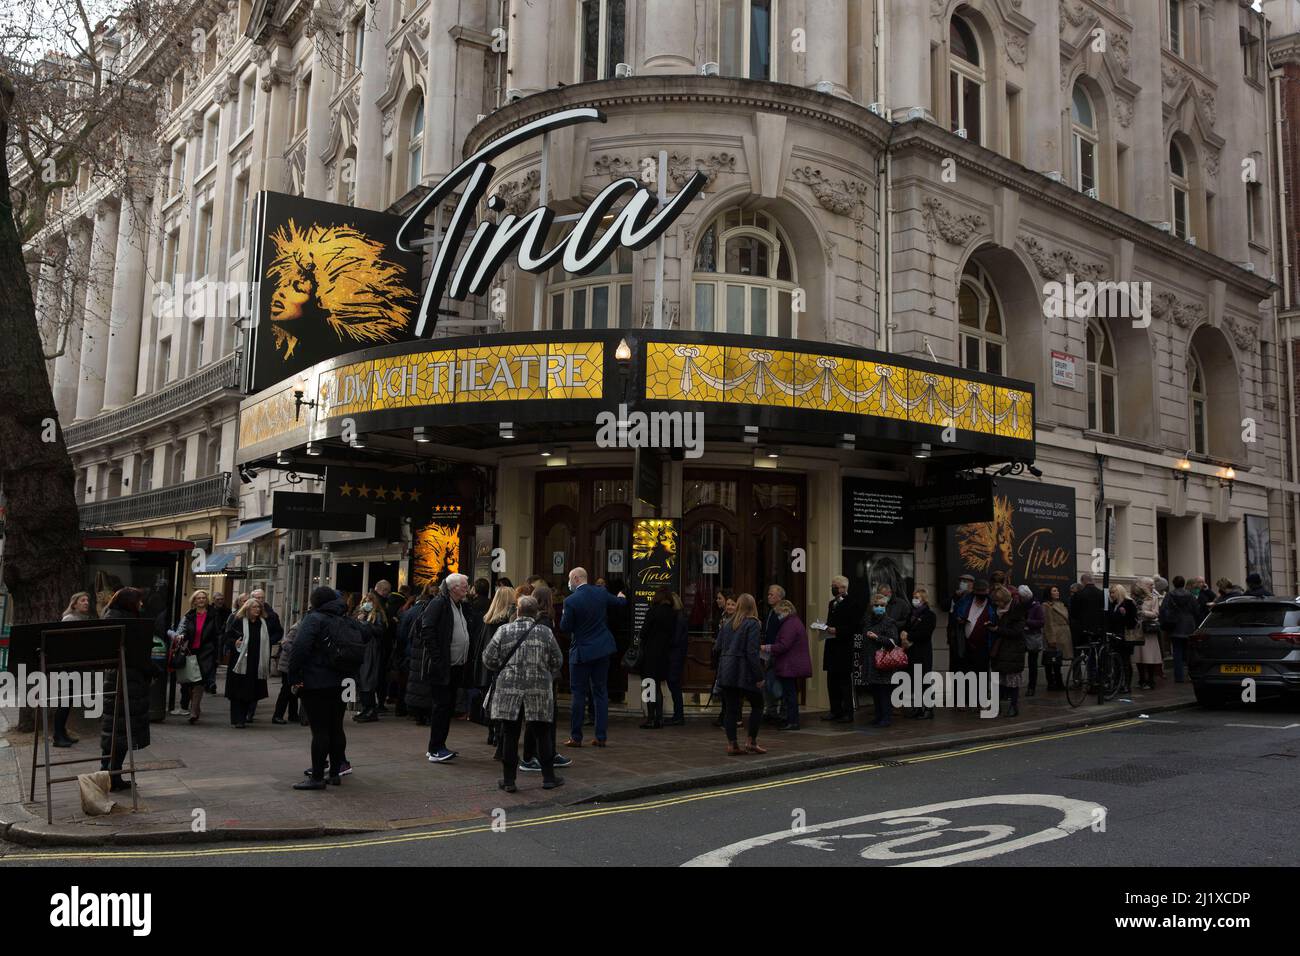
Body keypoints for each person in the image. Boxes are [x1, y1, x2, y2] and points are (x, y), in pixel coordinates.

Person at [482, 595, 565, 792]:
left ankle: (509, 781)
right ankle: (548, 778)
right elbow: (557, 661)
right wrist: (544, 670)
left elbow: (488, 658)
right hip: (538, 690)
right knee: (542, 734)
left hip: (509, 690)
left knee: (510, 734)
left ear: (517, 611)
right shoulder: (545, 633)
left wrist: (503, 670)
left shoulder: (504, 630)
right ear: (536, 612)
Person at [290, 587, 353, 789]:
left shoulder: (314, 619)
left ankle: (317, 777)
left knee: (320, 730)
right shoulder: (344, 618)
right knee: (336, 727)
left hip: (316, 681)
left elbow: (300, 648)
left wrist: (294, 676)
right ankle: (334, 773)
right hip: (343, 680)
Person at [560, 567, 627, 747]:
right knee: (600, 693)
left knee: (578, 694)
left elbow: (565, 627)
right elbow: (620, 604)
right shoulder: (601, 593)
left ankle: (576, 737)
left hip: (581, 652)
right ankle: (600, 736)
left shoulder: (570, 601)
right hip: (602, 649)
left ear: (575, 579)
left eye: (569, 580)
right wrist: (622, 596)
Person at [412, 573, 473, 763]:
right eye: (464, 585)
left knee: (447, 707)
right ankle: (435, 748)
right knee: (441, 707)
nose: (467, 588)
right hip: (443, 666)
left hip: (455, 665)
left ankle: (440, 746)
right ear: (453, 587)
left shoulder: (459, 605)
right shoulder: (439, 603)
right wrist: (437, 658)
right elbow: (427, 628)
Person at [100, 588, 154, 791]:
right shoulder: (119, 620)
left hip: (127, 681)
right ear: (129, 602)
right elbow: (134, 653)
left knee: (120, 732)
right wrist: (151, 669)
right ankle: (108, 775)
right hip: (123, 682)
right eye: (139, 601)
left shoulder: (120, 616)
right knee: (117, 731)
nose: (141, 604)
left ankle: (113, 774)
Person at [520, 584, 574, 773]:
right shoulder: (543, 622)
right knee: (540, 717)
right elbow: (553, 654)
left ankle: (546, 753)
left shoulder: (543, 620)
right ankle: (534, 756)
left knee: (543, 716)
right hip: (542, 675)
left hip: (539, 674)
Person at [715, 593, 765, 755]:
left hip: (727, 670)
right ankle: (751, 741)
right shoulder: (753, 624)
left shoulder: (727, 623)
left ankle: (732, 744)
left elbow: (716, 648)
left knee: (731, 709)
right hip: (744, 672)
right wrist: (759, 676)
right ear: (753, 607)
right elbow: (752, 652)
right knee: (758, 704)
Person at [472, 585, 515, 744]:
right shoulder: (508, 623)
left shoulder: (488, 620)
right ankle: (499, 734)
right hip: (501, 668)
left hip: (486, 667)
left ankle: (491, 733)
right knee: (502, 702)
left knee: (489, 701)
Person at [223, 597, 271, 728]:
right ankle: (237, 719)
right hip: (239, 662)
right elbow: (227, 637)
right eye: (254, 607)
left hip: (255, 662)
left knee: (249, 691)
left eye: (259, 607)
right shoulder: (239, 621)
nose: (257, 609)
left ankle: (243, 717)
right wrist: (234, 643)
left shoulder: (262, 623)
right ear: (247, 609)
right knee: (238, 691)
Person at [763, 599, 811, 729]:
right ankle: (790, 719)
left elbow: (783, 645)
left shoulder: (790, 624)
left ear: (786, 610)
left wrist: (767, 648)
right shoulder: (792, 622)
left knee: (790, 694)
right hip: (791, 663)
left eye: (779, 612)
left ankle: (792, 721)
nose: (778, 615)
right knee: (790, 693)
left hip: (790, 664)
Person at [54, 593, 94, 747]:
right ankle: (58, 736)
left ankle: (62, 732)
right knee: (64, 701)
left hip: (74, 666)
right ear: (74, 604)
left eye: (87, 600)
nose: (86, 603)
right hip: (67, 667)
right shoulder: (70, 619)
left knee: (68, 700)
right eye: (82, 600)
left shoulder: (80, 618)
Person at [636, 586, 677, 729]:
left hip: (650, 653)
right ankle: (659, 718)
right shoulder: (672, 613)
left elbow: (643, 632)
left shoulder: (653, 611)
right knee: (658, 686)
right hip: (664, 654)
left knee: (649, 686)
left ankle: (651, 718)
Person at [821, 576, 860, 723]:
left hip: (844, 647)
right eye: (832, 585)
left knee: (844, 682)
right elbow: (831, 621)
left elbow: (854, 627)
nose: (833, 588)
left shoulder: (853, 604)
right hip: (831, 646)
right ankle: (834, 710)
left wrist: (837, 630)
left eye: (835, 585)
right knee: (832, 680)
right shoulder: (832, 604)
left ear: (843, 588)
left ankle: (847, 713)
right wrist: (824, 627)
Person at [179, 589, 222, 724]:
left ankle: (194, 710)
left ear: (207, 600)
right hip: (191, 651)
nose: (201, 600)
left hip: (207, 651)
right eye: (198, 598)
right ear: (194, 601)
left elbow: (217, 635)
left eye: (203, 598)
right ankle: (195, 707)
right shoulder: (190, 615)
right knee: (191, 680)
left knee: (200, 679)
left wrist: (218, 654)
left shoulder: (213, 615)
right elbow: (185, 630)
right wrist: (182, 636)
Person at [397, 583, 437, 724]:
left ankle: (413, 712)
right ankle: (425, 713)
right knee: (425, 684)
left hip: (412, 652)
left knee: (412, 682)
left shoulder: (410, 612)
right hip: (426, 654)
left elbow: (402, 633)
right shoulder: (432, 615)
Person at [862, 591, 903, 727]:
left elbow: (893, 641)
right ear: (872, 606)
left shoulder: (889, 622)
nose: (880, 608)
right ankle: (878, 716)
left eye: (882, 605)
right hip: (870, 660)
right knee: (875, 690)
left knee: (883, 691)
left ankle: (886, 717)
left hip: (883, 661)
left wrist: (877, 638)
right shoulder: (867, 620)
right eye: (877, 605)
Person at [953, 580, 997, 705]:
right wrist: (959, 619)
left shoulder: (991, 605)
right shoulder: (966, 602)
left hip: (984, 645)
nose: (982, 596)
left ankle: (980, 700)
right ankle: (965, 700)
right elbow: (956, 613)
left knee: (982, 673)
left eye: (984, 592)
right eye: (979, 593)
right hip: (965, 644)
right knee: (965, 673)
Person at [990, 586, 1027, 717]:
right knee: (998, 679)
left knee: (1012, 681)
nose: (996, 604)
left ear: (1004, 599)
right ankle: (997, 706)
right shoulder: (997, 611)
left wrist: (997, 629)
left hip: (1013, 649)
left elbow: (1017, 632)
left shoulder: (1016, 610)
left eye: (998, 601)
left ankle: (1013, 706)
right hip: (1000, 649)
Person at [352, 591, 388, 722]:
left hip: (371, 650)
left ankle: (371, 709)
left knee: (368, 679)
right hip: (361, 649)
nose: (367, 603)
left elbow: (380, 631)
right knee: (361, 679)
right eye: (366, 600)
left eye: (370, 601)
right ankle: (365, 708)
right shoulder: (360, 614)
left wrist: (366, 624)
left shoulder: (377, 615)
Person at [1159, 575, 1200, 683]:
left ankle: (1179, 676)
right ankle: (1191, 674)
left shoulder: (1170, 595)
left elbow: (1163, 609)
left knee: (1177, 652)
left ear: (1173, 584)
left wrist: (1164, 623)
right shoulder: (1190, 595)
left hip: (1175, 625)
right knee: (1189, 652)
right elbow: (1196, 610)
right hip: (1189, 625)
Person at [904, 587, 937, 718]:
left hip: (923, 652)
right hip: (912, 652)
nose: (914, 600)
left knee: (924, 680)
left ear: (924, 599)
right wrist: (904, 634)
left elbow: (925, 633)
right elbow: (906, 627)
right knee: (915, 681)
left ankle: (928, 709)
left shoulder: (929, 615)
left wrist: (909, 635)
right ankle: (918, 707)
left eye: (917, 597)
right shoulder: (911, 614)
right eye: (914, 597)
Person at [760, 584, 786, 725]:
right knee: (768, 683)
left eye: (772, 595)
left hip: (777, 651)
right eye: (769, 594)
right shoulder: (770, 611)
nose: (769, 597)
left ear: (780, 597)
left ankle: (781, 712)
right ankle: (770, 710)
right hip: (768, 651)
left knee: (777, 684)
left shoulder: (782, 611)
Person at [1107, 583, 1139, 693]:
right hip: (1115, 637)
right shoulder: (1113, 604)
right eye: (1110, 593)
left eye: (1113, 592)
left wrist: (1125, 614)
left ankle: (1127, 684)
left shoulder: (1129, 603)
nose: (1111, 595)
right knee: (1116, 662)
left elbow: (1133, 623)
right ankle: (1117, 683)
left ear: (1119, 592)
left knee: (1125, 661)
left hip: (1126, 637)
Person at [1133, 579, 1163, 690]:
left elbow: (1156, 613)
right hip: (1138, 629)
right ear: (1144, 586)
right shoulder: (1134, 598)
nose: (1152, 587)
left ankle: (1151, 680)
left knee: (1150, 656)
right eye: (1150, 585)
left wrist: (1144, 613)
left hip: (1149, 630)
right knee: (1139, 655)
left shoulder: (1153, 598)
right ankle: (1141, 679)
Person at [665, 591, 689, 725]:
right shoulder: (681, 616)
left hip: (675, 656)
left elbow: (676, 639)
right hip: (677, 655)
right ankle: (678, 714)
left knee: (674, 685)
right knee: (674, 685)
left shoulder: (678, 618)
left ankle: (678, 715)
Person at [1041, 585, 1071, 690]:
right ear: (1049, 593)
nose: (1057, 592)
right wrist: (1051, 639)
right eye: (1054, 591)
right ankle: (1052, 683)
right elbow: (1048, 623)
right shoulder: (1046, 605)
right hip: (1053, 635)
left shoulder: (1062, 604)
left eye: (1057, 590)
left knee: (1058, 661)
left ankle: (1058, 683)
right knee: (1051, 661)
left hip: (1063, 635)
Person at [1018, 584, 1045, 697]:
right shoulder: (1020, 605)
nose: (1021, 599)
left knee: (1032, 664)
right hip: (1021, 636)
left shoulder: (1036, 606)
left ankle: (1031, 687)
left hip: (1032, 637)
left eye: (1022, 597)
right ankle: (1015, 686)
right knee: (1018, 662)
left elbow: (1041, 622)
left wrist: (1027, 622)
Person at [271, 620, 300, 724]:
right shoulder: (297, 627)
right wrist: (297, 653)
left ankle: (293, 715)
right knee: (286, 690)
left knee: (294, 690)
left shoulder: (301, 626)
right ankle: (277, 715)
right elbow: (286, 643)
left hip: (293, 664)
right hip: (287, 664)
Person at [946, 573, 975, 672]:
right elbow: (945, 606)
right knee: (954, 666)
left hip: (966, 636)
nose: (962, 583)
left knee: (965, 666)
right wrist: (955, 596)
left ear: (971, 584)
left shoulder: (973, 597)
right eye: (961, 581)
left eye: (965, 582)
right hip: (954, 635)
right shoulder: (955, 596)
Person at [1069, 573, 1105, 651]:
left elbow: (1073, 613)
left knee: (1082, 650)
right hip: (1098, 628)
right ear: (1092, 580)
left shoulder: (1078, 595)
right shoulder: (1102, 594)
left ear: (1082, 581)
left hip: (1082, 629)